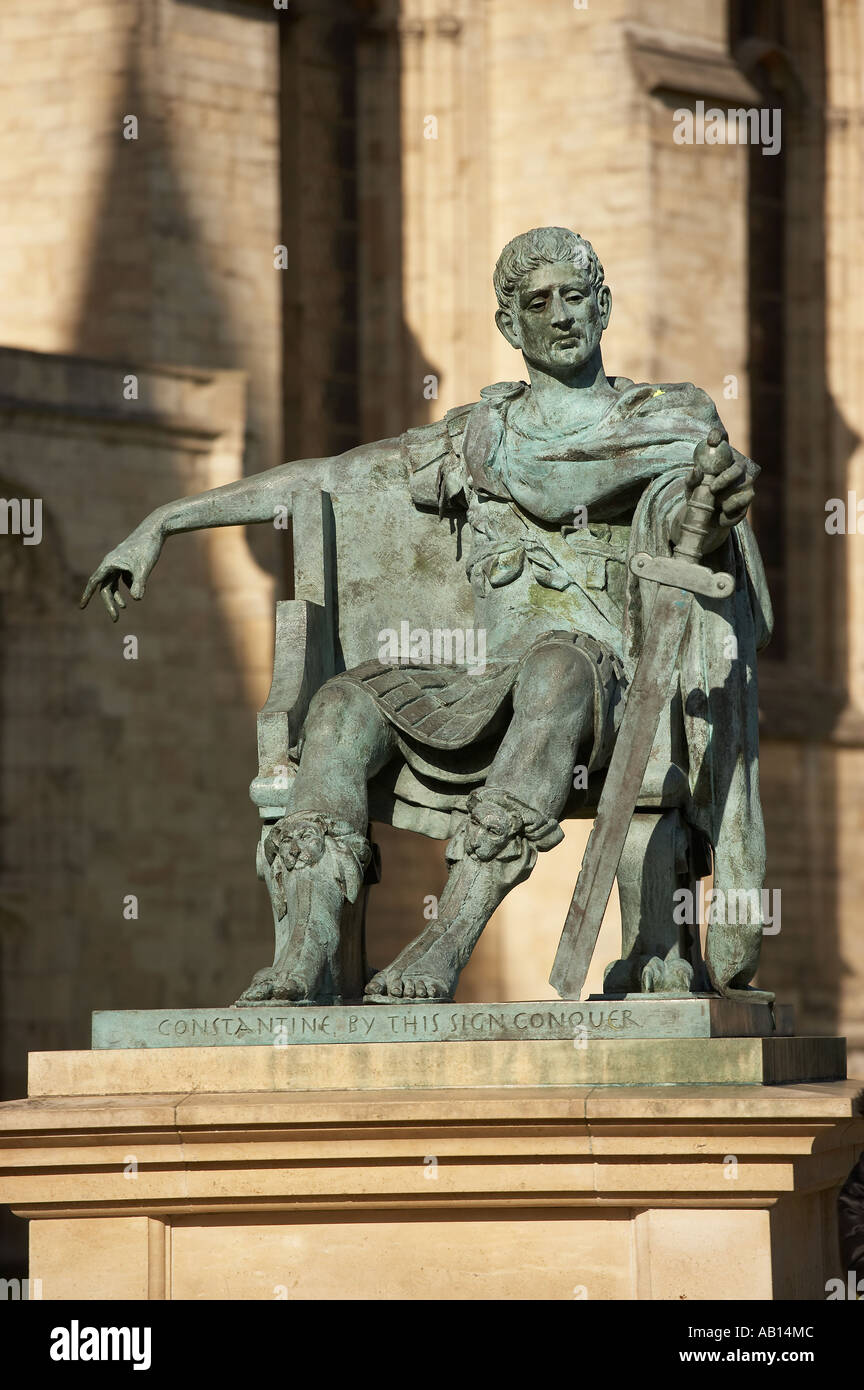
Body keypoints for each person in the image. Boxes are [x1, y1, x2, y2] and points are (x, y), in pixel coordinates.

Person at [83, 227, 771, 1006]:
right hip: (487, 684)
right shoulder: (477, 438)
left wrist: (713, 506)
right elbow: (326, 480)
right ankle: (305, 954)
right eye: (537, 303)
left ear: (603, 306)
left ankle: (449, 938)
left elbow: (697, 521)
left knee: (556, 668)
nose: (560, 317)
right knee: (343, 707)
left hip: (607, 693)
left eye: (574, 297)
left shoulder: (666, 419)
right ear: (510, 326)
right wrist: (166, 520)